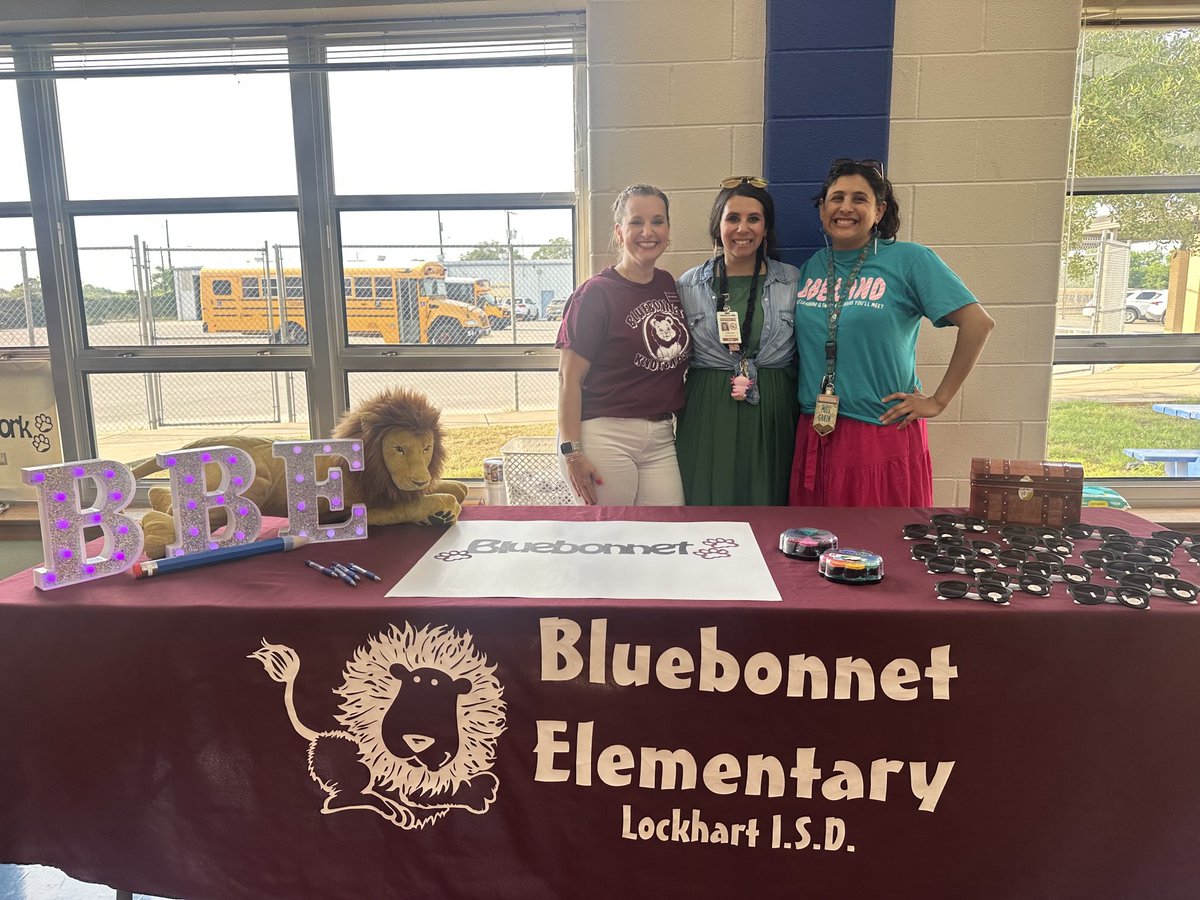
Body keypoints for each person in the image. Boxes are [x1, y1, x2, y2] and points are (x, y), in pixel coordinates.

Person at [789, 158, 995, 506]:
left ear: (880, 210)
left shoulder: (909, 260)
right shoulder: (811, 266)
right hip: (817, 431)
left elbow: (978, 323)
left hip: (879, 434)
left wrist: (938, 401)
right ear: (823, 209)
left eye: (860, 199)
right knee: (815, 550)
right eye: (837, 198)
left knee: (880, 549)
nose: (846, 208)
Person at [555, 184, 691, 505]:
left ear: (668, 230)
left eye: (658, 221)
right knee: (609, 541)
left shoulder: (668, 285)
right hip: (604, 433)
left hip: (660, 435)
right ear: (619, 232)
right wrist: (572, 454)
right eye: (636, 222)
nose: (648, 231)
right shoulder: (595, 294)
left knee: (666, 535)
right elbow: (568, 379)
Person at [675, 176, 801, 505]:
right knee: (706, 501)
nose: (742, 228)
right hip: (708, 407)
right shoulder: (688, 285)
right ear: (718, 225)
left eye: (753, 219)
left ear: (766, 228)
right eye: (732, 218)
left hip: (774, 405)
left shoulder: (792, 281)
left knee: (769, 500)